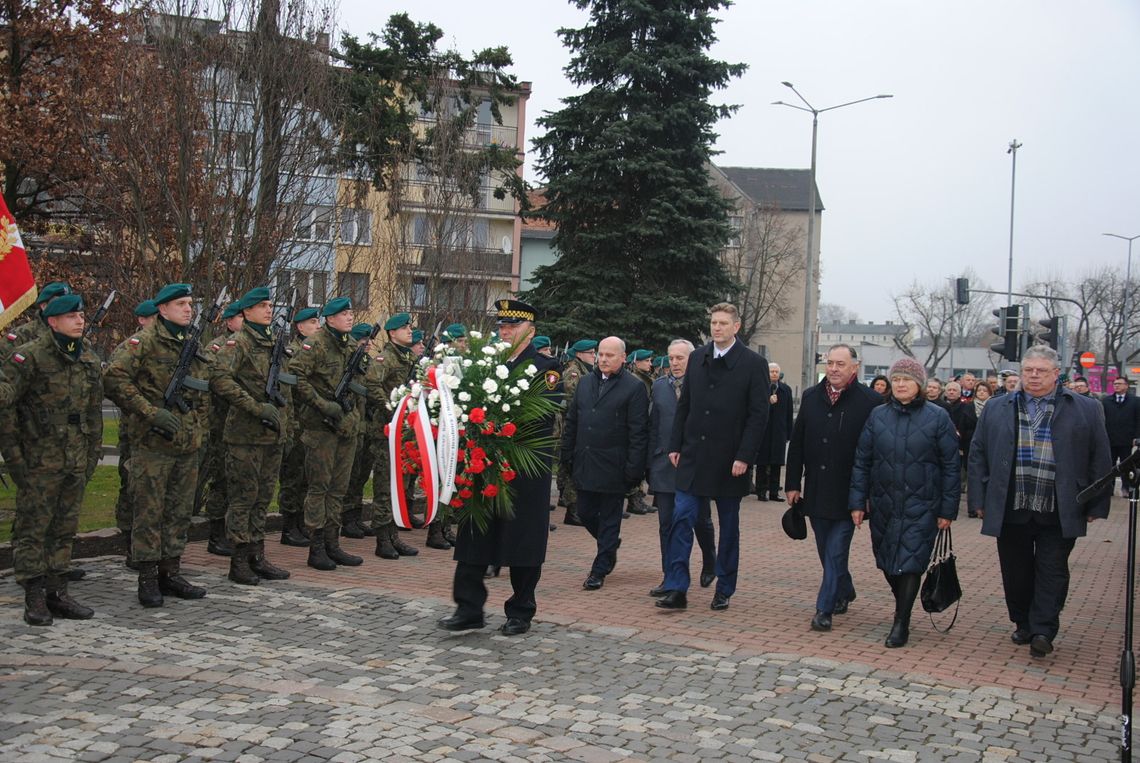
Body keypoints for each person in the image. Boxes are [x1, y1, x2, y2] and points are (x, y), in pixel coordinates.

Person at [969, 345, 1112, 658]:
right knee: (1016, 571)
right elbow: (978, 453)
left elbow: (1099, 457)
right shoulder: (998, 407)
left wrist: (1097, 504)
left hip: (1060, 505)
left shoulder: (1084, 408)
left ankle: (1044, 630)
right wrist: (979, 499)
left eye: (1041, 371)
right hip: (1011, 504)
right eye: (1028, 370)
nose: (1033, 376)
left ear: (1055, 374)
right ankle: (1022, 621)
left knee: (1052, 569)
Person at [439, 299, 561, 636]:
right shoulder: (485, 364)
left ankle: (521, 610)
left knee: (523, 540)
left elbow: (542, 414)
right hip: (485, 463)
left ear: (531, 331)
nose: (505, 331)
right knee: (475, 534)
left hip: (524, 465)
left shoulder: (546, 369)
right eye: (502, 326)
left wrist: (496, 422)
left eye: (513, 326)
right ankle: (468, 608)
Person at [104, 283, 212, 607]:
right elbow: (112, 378)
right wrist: (151, 413)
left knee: (179, 512)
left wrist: (199, 426)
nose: (188, 309)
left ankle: (171, 571)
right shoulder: (144, 341)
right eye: (180, 304)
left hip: (185, 443)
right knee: (150, 512)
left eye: (190, 304)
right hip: (153, 444)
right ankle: (148, 577)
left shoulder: (191, 343)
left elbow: (203, 388)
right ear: (162, 309)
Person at [659, 302, 768, 612]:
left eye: (723, 323)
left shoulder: (753, 363)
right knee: (681, 519)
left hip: (730, 460)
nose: (717, 328)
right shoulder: (697, 358)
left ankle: (724, 586)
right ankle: (677, 587)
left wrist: (745, 456)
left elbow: (758, 415)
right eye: (714, 323)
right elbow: (686, 405)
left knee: (728, 526)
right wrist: (675, 444)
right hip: (693, 455)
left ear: (736, 327)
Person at [1, 294, 102, 625]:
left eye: (81, 315)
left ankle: (57, 591)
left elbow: (92, 412)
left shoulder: (85, 357)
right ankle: (34, 595)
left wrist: (90, 455)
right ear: (52, 321)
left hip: (74, 458)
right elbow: (5, 406)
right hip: (38, 460)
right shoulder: (29, 357)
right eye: (71, 315)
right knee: (34, 528)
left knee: (64, 527)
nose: (79, 320)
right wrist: (15, 459)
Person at [850, 356, 959, 648]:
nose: (900, 384)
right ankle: (903, 605)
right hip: (884, 503)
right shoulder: (878, 416)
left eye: (906, 380)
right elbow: (862, 461)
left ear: (919, 385)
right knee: (887, 562)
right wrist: (857, 502)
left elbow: (951, 466)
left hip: (922, 504)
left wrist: (948, 509)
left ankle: (902, 622)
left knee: (910, 563)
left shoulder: (938, 417)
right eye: (896, 379)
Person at [785, 344, 882, 632]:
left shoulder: (871, 401)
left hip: (849, 493)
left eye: (841, 364)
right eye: (831, 363)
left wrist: (866, 495)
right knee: (824, 548)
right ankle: (845, 588)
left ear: (855, 366)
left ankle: (823, 609)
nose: (834, 369)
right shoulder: (812, 396)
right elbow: (798, 442)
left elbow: (875, 453)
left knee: (836, 550)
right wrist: (792, 483)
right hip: (816, 489)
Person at [208, 287, 291, 586]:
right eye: (262, 306)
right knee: (243, 499)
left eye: (270, 305)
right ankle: (239, 560)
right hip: (245, 435)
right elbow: (218, 378)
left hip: (272, 435)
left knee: (262, 499)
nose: (269, 310)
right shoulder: (239, 342)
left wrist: (284, 425)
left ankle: (257, 554)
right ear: (246, 312)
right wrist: (255, 407)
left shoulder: (273, 343)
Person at [561, 336, 648, 590]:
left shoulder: (633, 388)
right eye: (600, 354)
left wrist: (634, 468)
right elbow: (573, 420)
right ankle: (609, 545)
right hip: (585, 461)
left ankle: (599, 569)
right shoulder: (586, 382)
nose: (603, 359)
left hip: (614, 466)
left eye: (610, 355)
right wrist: (567, 453)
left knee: (610, 518)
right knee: (585, 512)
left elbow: (638, 432)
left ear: (623, 358)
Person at [289, 297, 365, 571]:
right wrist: (325, 406)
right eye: (343, 313)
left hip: (345, 427)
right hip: (321, 427)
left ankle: (333, 543)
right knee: (319, 488)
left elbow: (358, 384)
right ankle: (317, 546)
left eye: (350, 312)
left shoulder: (351, 346)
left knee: (338, 489)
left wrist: (351, 414)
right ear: (329, 319)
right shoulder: (316, 344)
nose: (349, 317)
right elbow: (296, 377)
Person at [647, 340, 717, 597]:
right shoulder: (659, 387)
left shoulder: (704, 385)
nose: (675, 363)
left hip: (695, 466)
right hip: (665, 465)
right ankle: (671, 577)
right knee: (667, 523)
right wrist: (650, 464)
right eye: (671, 358)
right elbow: (654, 427)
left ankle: (710, 560)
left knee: (699, 520)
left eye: (680, 358)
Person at [368, 312, 421, 559]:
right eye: (405, 327)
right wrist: (391, 407)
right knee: (384, 486)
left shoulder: (408, 357)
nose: (410, 330)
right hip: (386, 430)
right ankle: (382, 539)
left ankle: (393, 536)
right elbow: (372, 385)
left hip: (404, 431)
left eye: (410, 327)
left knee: (398, 485)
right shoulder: (385, 357)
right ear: (392, 333)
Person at [113, 298, 159, 569]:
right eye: (152, 317)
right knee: (131, 485)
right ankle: (129, 541)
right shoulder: (130, 348)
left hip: (158, 430)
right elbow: (118, 385)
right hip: (135, 427)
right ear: (142, 320)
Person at [197, 301, 245, 557]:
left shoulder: (248, 345)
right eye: (238, 317)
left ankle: (230, 531)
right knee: (221, 480)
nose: (243, 321)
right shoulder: (217, 347)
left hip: (239, 424)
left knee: (236, 481)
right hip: (220, 422)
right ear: (228, 322)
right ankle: (215, 534)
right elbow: (211, 381)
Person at [277, 306, 320, 546]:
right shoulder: (291, 352)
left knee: (305, 477)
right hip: (296, 421)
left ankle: (300, 523)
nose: (317, 326)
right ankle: (288, 526)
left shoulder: (315, 350)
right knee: (292, 476)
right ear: (300, 327)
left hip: (309, 423)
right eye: (312, 322)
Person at [556, 339, 597, 526]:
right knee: (571, 466)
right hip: (571, 426)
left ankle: (575, 507)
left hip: (580, 425)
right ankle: (572, 510)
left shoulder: (585, 371)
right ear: (579, 354)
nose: (594, 356)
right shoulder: (574, 372)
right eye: (591, 353)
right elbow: (572, 401)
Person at [755, 362, 793, 502]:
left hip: (779, 432)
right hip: (764, 432)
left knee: (777, 463)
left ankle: (774, 492)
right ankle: (761, 491)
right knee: (762, 463)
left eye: (777, 371)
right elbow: (755, 408)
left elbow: (789, 413)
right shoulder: (760, 388)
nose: (774, 374)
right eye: (772, 371)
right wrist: (767, 402)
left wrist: (789, 432)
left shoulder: (785, 390)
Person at [1102, 377, 1140, 497]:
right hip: (1110, 438)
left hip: (1126, 440)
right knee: (1110, 465)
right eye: (1115, 384)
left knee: (1126, 465)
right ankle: (1109, 488)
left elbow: (1138, 420)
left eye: (1119, 384)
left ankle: (1126, 488)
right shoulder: (1106, 401)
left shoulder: (1135, 401)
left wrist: (1137, 436)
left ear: (1126, 386)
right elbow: (1102, 419)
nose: (1116, 386)